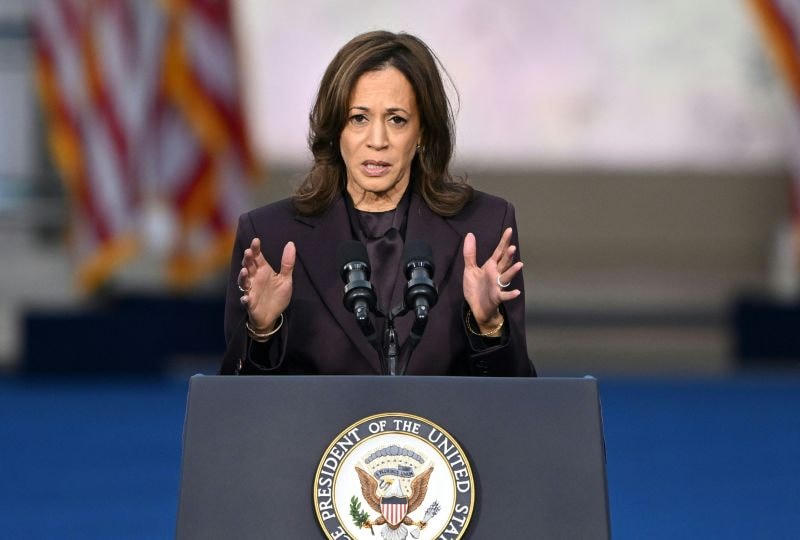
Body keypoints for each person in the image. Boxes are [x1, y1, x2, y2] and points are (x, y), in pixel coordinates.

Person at [220, 31, 534, 377]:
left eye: (396, 119)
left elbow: (518, 403)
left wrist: (489, 327)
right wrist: (263, 332)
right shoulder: (271, 236)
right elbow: (240, 411)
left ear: (423, 133)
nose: (377, 141)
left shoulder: (483, 228)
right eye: (359, 118)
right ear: (335, 127)